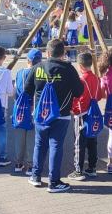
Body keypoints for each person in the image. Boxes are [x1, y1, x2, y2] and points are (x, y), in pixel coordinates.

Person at [24, 39, 84, 193]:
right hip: (61, 114)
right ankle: (54, 181)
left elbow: (27, 89)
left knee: (39, 144)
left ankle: (36, 176)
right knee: (56, 145)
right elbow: (79, 92)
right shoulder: (68, 69)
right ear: (63, 53)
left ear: (48, 53)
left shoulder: (37, 67)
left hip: (40, 114)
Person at [69, 52, 103, 181]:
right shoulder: (96, 78)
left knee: (79, 142)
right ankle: (92, 167)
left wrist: (74, 110)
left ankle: (78, 170)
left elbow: (79, 99)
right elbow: (99, 96)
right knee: (92, 140)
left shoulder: (81, 80)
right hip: (93, 113)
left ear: (80, 66)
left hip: (82, 114)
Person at [13, 49, 42, 175]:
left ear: (28, 60)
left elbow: (14, 93)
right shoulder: (39, 73)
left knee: (20, 136)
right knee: (32, 138)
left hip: (20, 109)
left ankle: (18, 163)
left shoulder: (19, 73)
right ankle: (30, 165)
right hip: (33, 109)